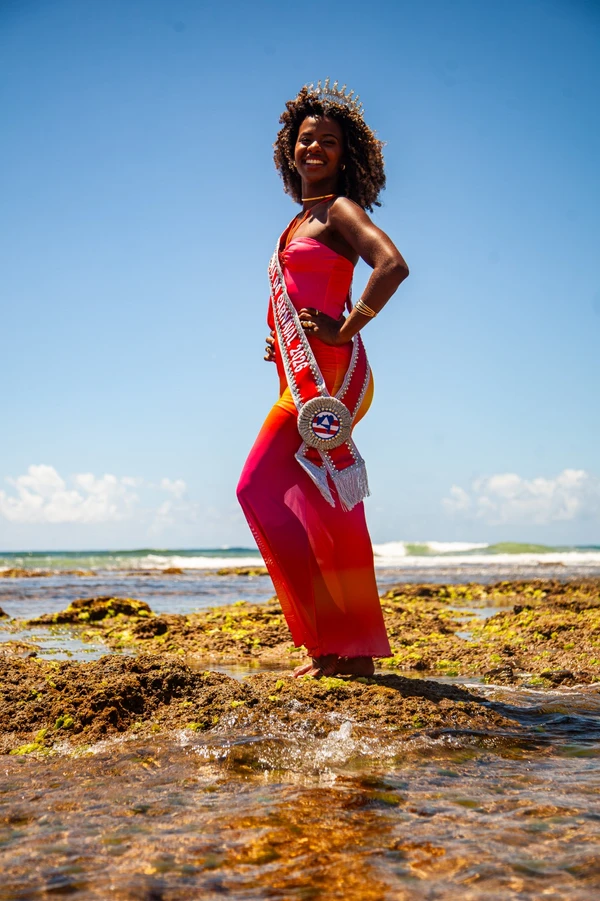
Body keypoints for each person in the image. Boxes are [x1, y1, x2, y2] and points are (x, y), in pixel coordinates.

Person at [237, 80, 409, 678]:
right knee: (315, 501)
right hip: (299, 370)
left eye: (328, 141)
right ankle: (338, 648)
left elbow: (392, 265)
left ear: (344, 154)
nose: (315, 148)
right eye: (305, 139)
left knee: (261, 487)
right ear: (290, 149)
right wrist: (281, 340)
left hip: (328, 378)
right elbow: (304, 296)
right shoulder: (295, 222)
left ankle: (346, 646)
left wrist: (344, 328)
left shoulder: (338, 210)